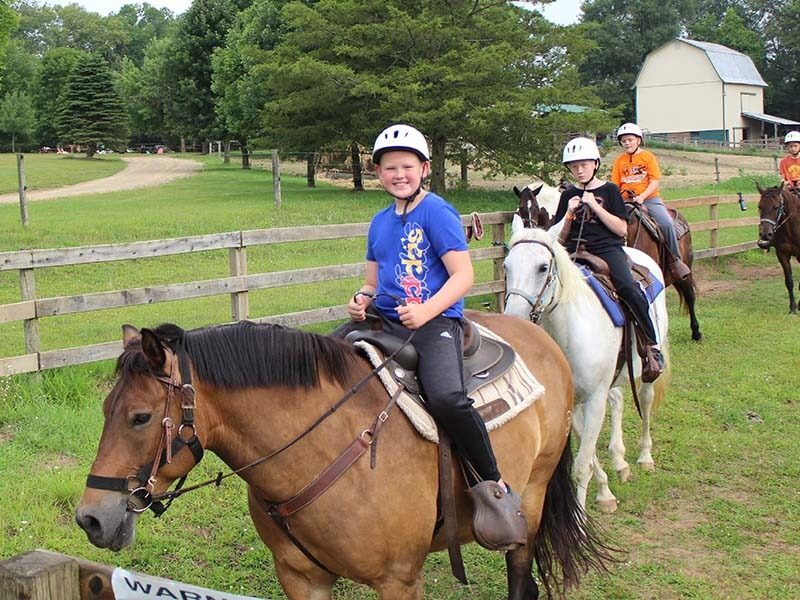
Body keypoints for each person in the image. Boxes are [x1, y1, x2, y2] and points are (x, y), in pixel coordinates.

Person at [348, 124, 522, 546]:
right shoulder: (380, 222)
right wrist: (360, 299)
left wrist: (426, 310)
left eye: (407, 166)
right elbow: (373, 281)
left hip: (436, 323)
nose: (399, 174)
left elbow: (463, 276)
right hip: (385, 321)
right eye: (390, 168)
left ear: (424, 168)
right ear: (379, 173)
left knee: (447, 398)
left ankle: (493, 486)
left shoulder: (437, 213)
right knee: (330, 362)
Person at [551, 136, 664, 382]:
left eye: (584, 164)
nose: (579, 170)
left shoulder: (610, 190)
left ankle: (650, 347)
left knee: (628, 288)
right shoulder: (567, 195)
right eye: (574, 166)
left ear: (595, 164)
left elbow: (622, 230)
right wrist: (569, 213)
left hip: (606, 249)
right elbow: (559, 237)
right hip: (572, 251)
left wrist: (595, 206)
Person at [611, 122, 691, 280]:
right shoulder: (619, 161)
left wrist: (642, 197)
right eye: (624, 141)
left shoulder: (648, 157)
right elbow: (615, 185)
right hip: (625, 201)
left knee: (666, 223)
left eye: (630, 139)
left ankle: (675, 261)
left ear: (638, 140)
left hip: (649, 199)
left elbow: (654, 181)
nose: (627, 143)